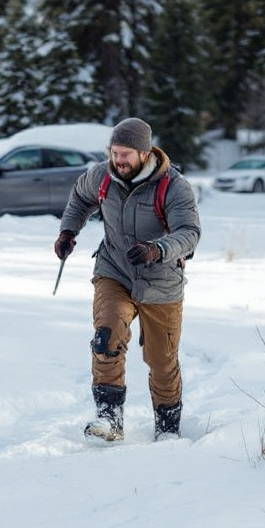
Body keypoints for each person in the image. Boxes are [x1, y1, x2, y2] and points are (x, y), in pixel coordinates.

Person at [54, 118, 201, 442]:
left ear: (145, 153)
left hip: (160, 281)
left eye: (126, 155)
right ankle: (110, 417)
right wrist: (68, 230)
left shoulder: (173, 186)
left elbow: (189, 233)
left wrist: (157, 249)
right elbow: (81, 198)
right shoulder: (101, 175)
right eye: (114, 153)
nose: (118, 161)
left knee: (161, 361)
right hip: (114, 270)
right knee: (107, 337)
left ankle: (167, 428)